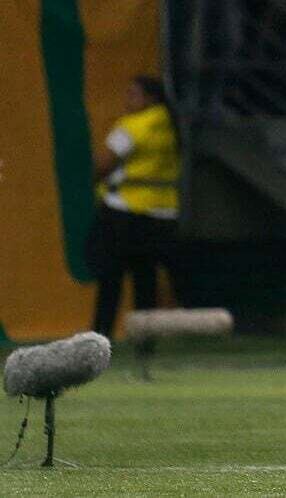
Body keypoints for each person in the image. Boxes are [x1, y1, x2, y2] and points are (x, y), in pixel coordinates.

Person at [86, 76, 182, 342]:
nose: (127, 100)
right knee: (146, 281)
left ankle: (99, 338)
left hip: (124, 211)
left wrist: (95, 179)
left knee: (110, 279)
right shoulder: (170, 124)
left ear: (150, 98)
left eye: (133, 94)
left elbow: (103, 164)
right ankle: (145, 344)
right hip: (161, 214)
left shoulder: (132, 126)